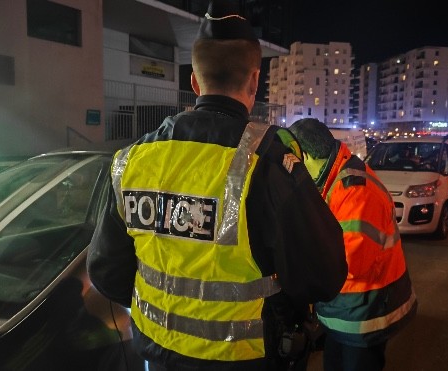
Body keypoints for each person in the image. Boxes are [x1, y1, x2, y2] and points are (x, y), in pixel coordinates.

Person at [86, 2, 348, 370]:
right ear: (255, 81)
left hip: (157, 355)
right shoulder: (269, 165)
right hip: (244, 360)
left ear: (194, 81)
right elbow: (324, 277)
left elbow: (106, 273)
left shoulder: (130, 161)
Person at [288, 118, 418, 371]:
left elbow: (350, 263)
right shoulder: (335, 178)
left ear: (306, 155)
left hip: (365, 315)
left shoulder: (355, 191)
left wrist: (300, 263)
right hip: (345, 313)